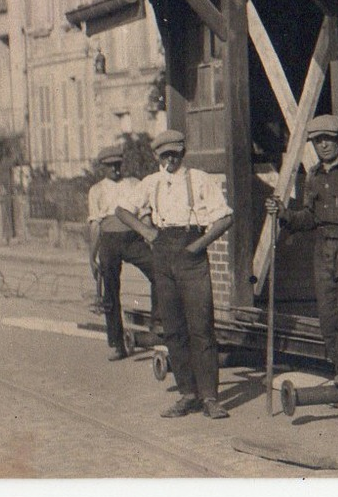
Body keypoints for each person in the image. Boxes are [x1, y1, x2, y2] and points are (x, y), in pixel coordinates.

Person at [118, 129, 234, 419]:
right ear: (157, 155)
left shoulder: (199, 179)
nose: (170, 158)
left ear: (183, 152)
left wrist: (199, 246)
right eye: (164, 154)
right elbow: (122, 211)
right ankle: (187, 394)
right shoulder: (151, 183)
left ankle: (210, 398)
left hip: (191, 252)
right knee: (173, 328)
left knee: (201, 327)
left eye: (175, 152)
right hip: (162, 253)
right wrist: (147, 232)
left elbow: (225, 217)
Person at [265, 114, 338, 390]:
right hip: (324, 249)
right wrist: (284, 214)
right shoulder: (315, 175)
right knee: (327, 313)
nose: (324, 145)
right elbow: (310, 217)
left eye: (329, 139)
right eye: (319, 141)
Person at [87, 144, 154, 361]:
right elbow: (96, 225)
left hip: (133, 238)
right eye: (110, 166)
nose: (115, 170)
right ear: (102, 168)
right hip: (109, 242)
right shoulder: (96, 190)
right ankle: (117, 344)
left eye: (118, 165)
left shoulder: (134, 184)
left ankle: (160, 327)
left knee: (159, 272)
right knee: (110, 292)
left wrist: (149, 236)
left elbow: (144, 215)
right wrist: (92, 256)